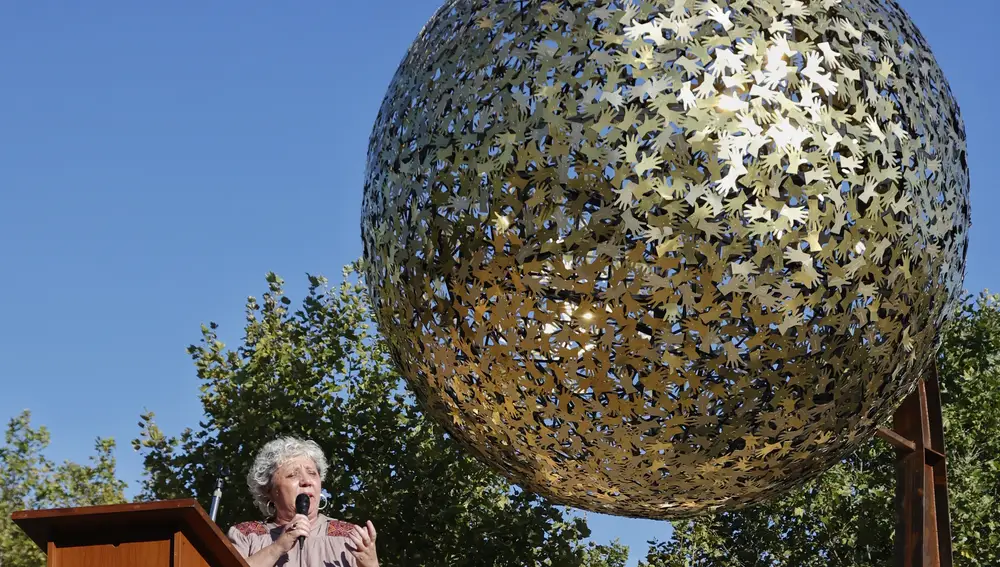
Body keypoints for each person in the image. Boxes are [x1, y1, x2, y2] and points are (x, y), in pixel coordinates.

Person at [226, 437, 379, 567]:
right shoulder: (246, 536)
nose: (306, 481)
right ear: (268, 490)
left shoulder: (350, 537)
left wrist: (371, 565)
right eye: (292, 475)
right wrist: (278, 547)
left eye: (312, 473)